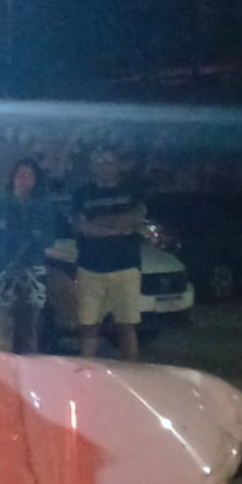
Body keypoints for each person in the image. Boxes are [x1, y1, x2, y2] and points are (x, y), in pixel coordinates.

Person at [71, 146, 147, 360]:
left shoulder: (132, 190)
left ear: (117, 165)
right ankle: (86, 375)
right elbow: (82, 227)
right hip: (90, 268)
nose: (104, 166)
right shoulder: (82, 193)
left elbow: (136, 219)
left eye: (109, 161)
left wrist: (99, 224)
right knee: (88, 326)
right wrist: (119, 227)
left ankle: (131, 374)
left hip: (126, 267)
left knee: (127, 325)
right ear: (92, 166)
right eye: (99, 161)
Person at [0, 158, 58, 353]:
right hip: (5, 268)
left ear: (35, 180)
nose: (24, 180)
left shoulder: (43, 207)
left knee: (30, 325)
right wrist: (28, 233)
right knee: (4, 323)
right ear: (13, 179)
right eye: (20, 176)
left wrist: (18, 232)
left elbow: (47, 237)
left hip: (33, 268)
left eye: (28, 176)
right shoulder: (0, 205)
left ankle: (30, 370)